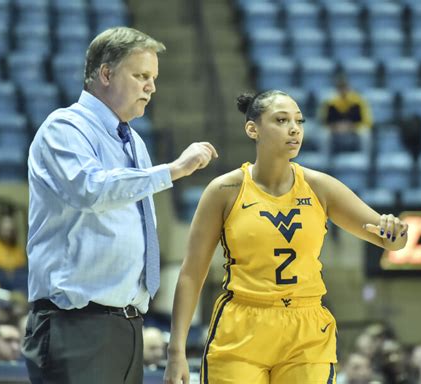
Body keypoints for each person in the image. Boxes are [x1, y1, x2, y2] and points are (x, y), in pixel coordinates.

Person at [163, 90, 408, 384]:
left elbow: (388, 238)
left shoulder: (320, 186)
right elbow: (191, 273)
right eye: (281, 120)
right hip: (243, 323)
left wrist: (395, 233)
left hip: (305, 327)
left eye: (299, 121)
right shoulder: (224, 190)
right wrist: (176, 349)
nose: (294, 129)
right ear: (253, 129)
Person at [22, 26, 217, 384]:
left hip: (127, 325)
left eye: (153, 78)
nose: (151, 87)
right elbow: (90, 189)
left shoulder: (133, 141)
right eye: (141, 75)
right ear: (106, 74)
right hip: (76, 325)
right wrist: (172, 171)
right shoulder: (64, 128)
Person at [319, 74, 372, 154]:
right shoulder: (330, 102)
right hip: (335, 129)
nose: (343, 91)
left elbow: (367, 121)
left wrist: (351, 127)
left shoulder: (358, 101)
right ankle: (325, 158)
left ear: (349, 89)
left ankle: (364, 157)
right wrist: (335, 127)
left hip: (354, 128)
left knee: (365, 133)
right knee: (323, 134)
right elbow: (324, 121)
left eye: (345, 88)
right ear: (337, 90)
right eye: (340, 89)